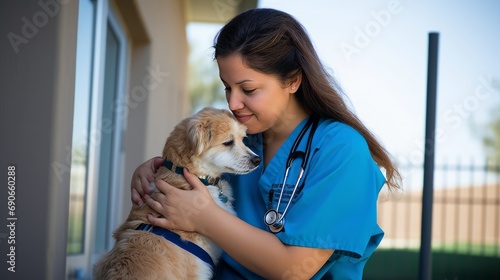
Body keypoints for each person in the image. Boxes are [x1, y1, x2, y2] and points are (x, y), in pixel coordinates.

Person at [131, 8, 401, 279]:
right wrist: (160, 170)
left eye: (248, 90)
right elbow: (191, 184)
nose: (233, 103)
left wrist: (203, 217)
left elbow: (294, 270)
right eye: (227, 87)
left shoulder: (342, 151)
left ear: (293, 81)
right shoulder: (243, 139)